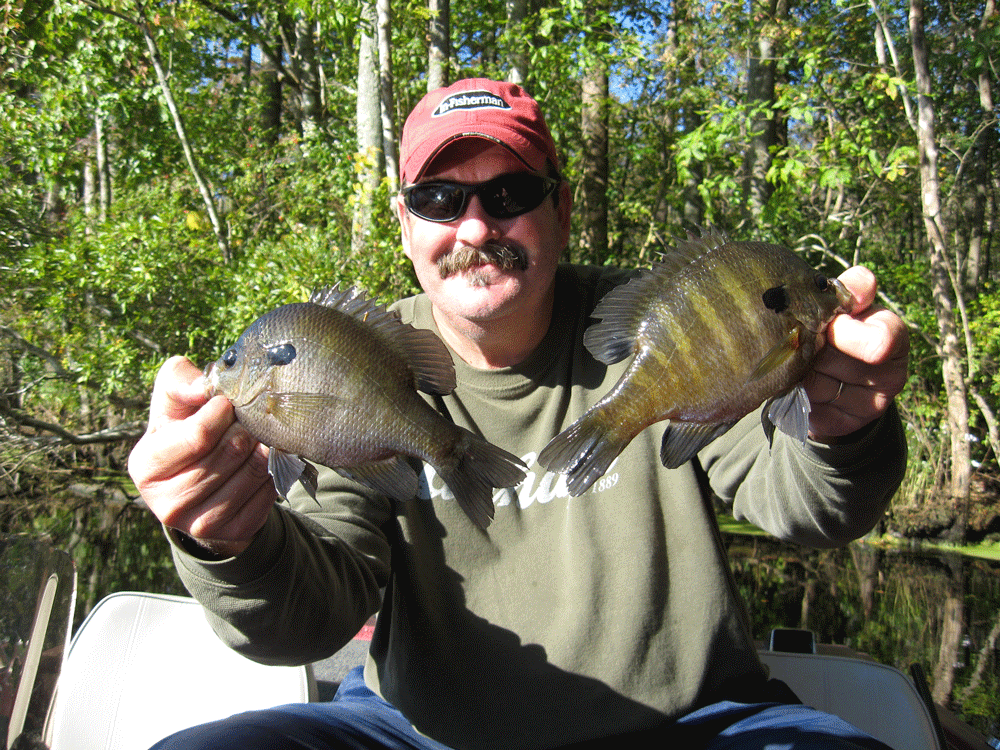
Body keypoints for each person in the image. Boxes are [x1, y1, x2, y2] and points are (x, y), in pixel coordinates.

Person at [128, 78, 910, 750]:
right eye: (438, 199)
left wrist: (844, 423)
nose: (474, 227)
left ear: (561, 208)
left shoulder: (655, 325)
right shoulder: (370, 358)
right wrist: (228, 539)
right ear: (405, 226)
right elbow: (305, 621)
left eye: (508, 194)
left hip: (697, 723)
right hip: (418, 731)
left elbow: (806, 506)